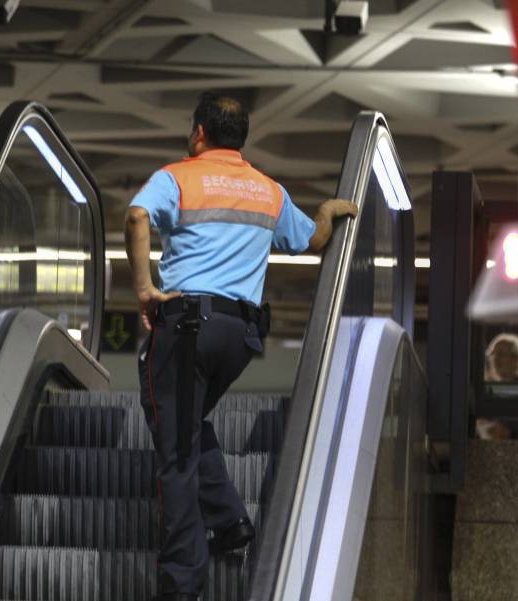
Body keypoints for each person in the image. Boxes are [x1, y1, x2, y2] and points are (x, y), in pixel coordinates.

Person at [126, 91, 358, 601]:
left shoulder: (178, 177)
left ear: (199, 134)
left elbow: (137, 218)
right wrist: (325, 211)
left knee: (175, 456)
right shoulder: (267, 191)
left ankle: (183, 585)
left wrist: (144, 288)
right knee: (185, 422)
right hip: (241, 335)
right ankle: (229, 518)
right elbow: (311, 242)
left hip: (186, 328)